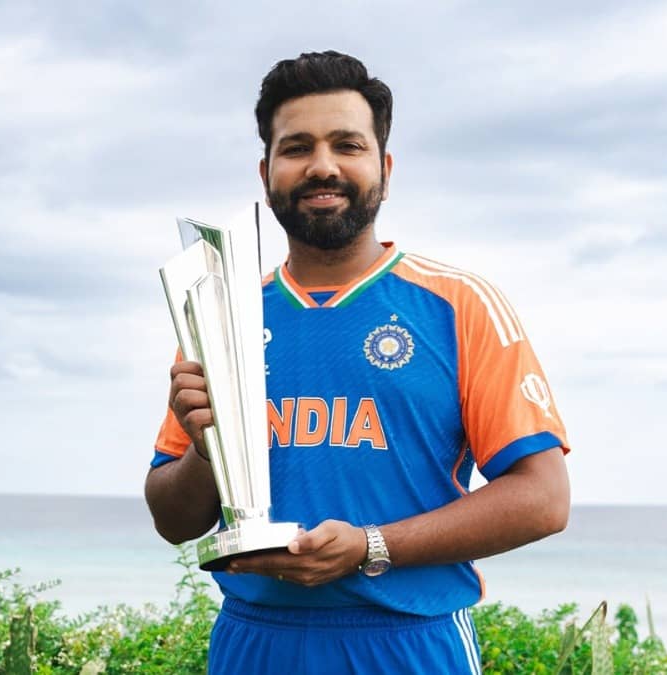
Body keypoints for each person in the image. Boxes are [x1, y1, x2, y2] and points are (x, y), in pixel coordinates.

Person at [145, 50, 571, 675]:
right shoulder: (221, 316)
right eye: (297, 148)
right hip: (252, 643)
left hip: (407, 644)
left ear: (384, 169)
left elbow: (543, 499)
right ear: (266, 173)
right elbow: (173, 520)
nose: (322, 166)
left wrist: (371, 546)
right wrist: (209, 452)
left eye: (347, 145)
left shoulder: (459, 304)